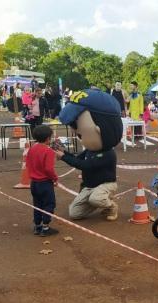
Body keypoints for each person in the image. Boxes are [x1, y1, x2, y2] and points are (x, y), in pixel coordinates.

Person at [55, 89, 123, 221]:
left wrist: (63, 157)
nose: (77, 134)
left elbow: (85, 165)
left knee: (96, 198)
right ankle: (98, 201)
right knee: (74, 213)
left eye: (80, 134)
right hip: (90, 186)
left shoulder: (107, 153)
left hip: (106, 184)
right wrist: (64, 152)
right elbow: (78, 158)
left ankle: (111, 205)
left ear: (100, 129)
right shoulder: (91, 150)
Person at [26, 125, 58, 237]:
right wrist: (55, 178)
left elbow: (28, 163)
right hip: (45, 183)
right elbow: (49, 169)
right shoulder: (49, 151)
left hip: (34, 182)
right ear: (48, 138)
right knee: (49, 204)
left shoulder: (32, 148)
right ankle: (45, 227)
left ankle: (37, 225)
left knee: (37, 204)